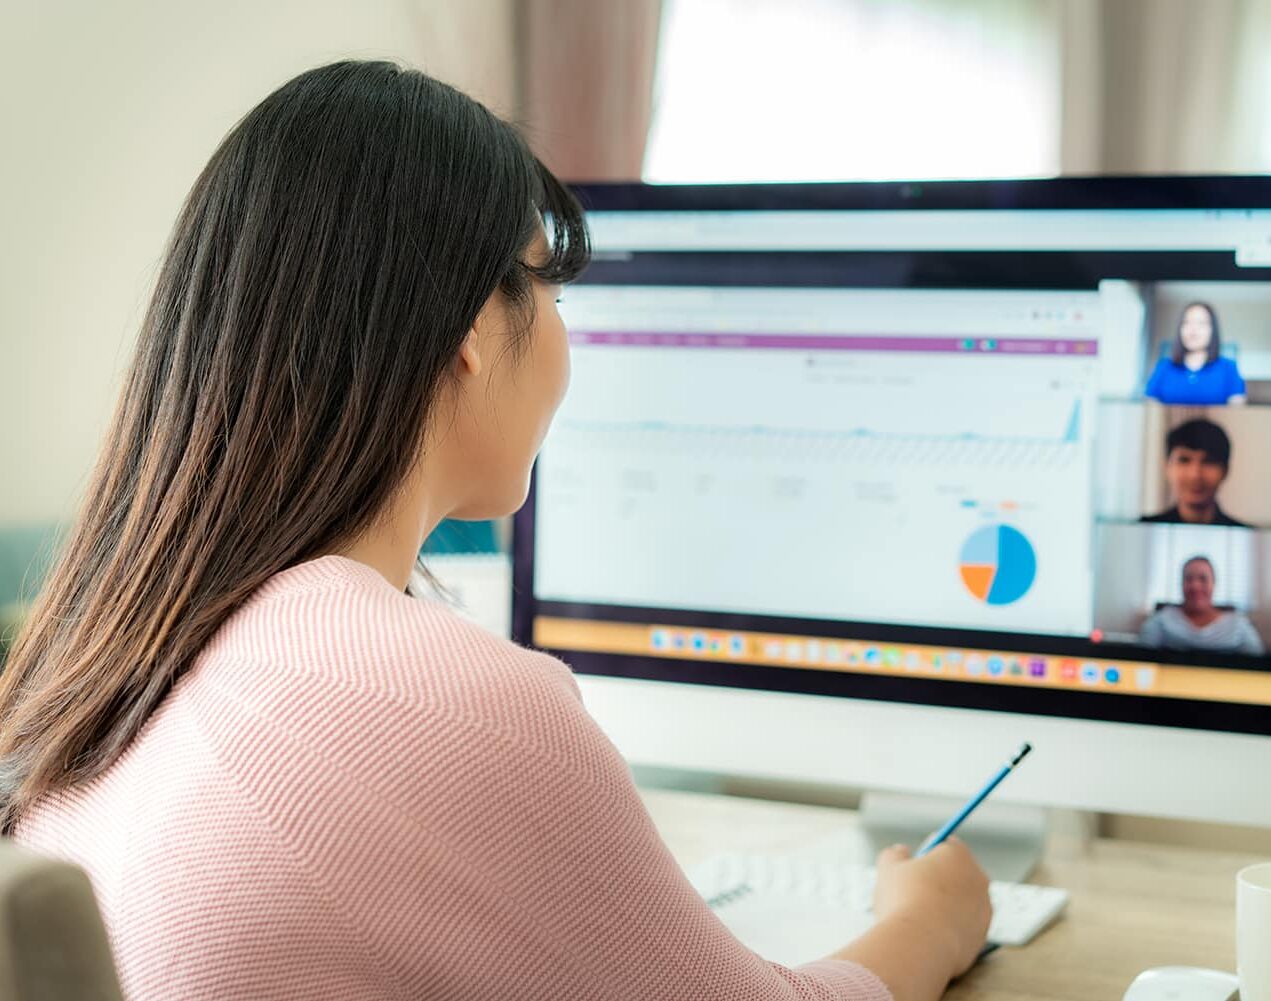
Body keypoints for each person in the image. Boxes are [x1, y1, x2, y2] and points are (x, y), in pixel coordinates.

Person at [0, 63, 989, 1001]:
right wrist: (931, 921)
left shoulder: (105, 659)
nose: (562, 338)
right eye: (550, 290)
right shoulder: (438, 697)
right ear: (473, 323)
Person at [1139, 557, 1266, 655]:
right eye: (1188, 579)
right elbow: (1141, 659)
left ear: (1214, 583)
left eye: (1203, 579)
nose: (1195, 586)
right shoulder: (1161, 621)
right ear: (1181, 584)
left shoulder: (1238, 624)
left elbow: (1259, 665)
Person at [1141, 418, 1250, 527]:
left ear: (1225, 470)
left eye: (1208, 461)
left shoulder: (1247, 535)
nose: (1195, 475)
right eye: (1184, 460)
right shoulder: (1144, 529)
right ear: (1167, 467)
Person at [1144, 302, 1248, 405]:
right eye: (1186, 322)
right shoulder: (1164, 367)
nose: (1193, 330)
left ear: (1212, 330)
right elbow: (1151, 406)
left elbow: (1237, 412)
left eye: (1201, 323)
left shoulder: (1228, 368)